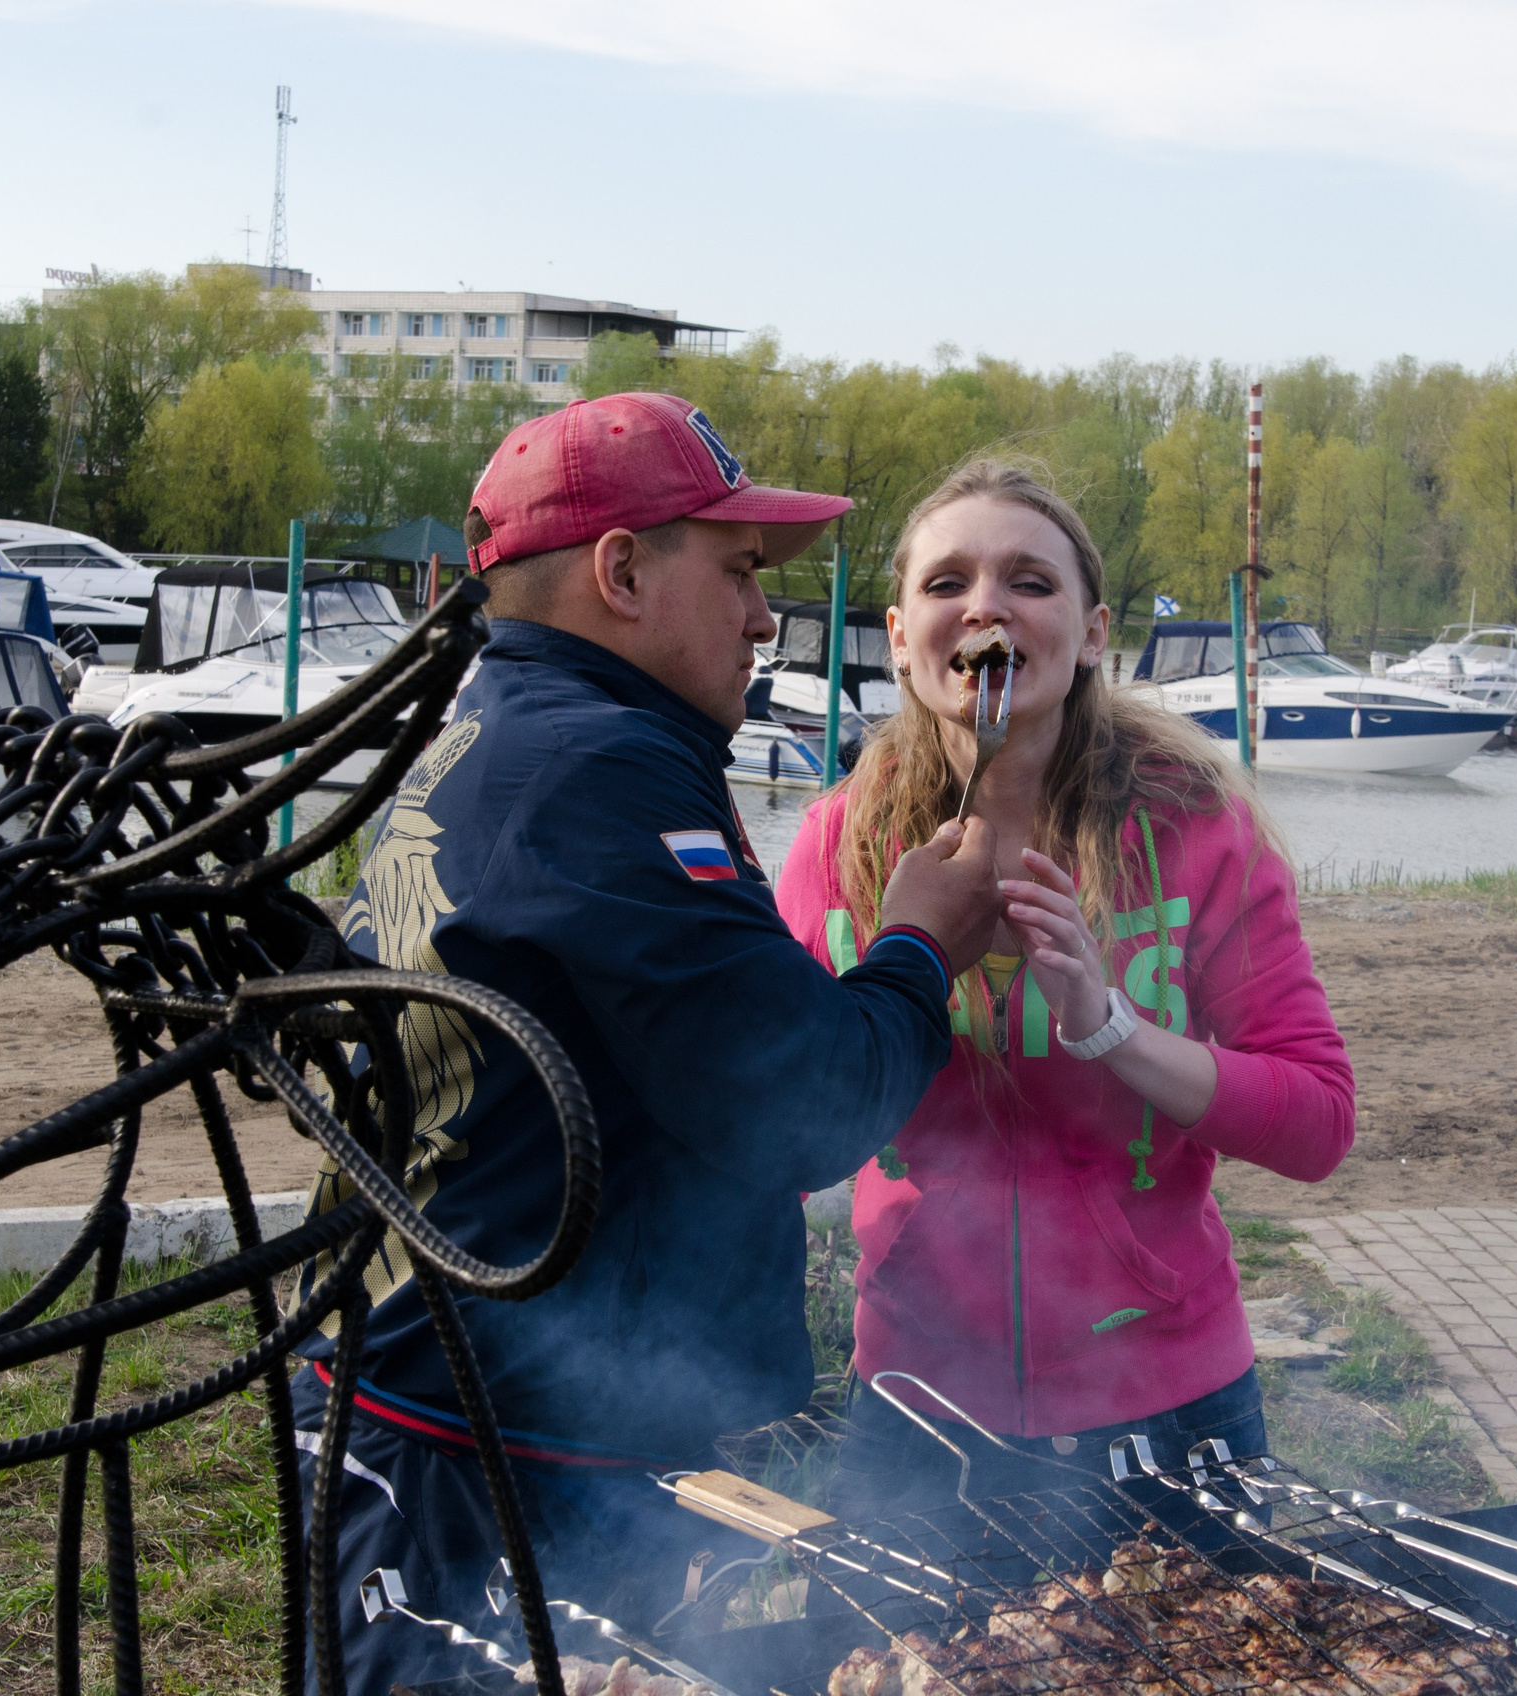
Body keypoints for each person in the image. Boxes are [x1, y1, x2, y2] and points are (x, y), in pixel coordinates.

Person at [291, 392, 1002, 1696]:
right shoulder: (600, 767)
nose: (763, 615)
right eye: (735, 571)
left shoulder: (498, 740)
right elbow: (801, 1101)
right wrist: (918, 950)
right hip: (491, 1461)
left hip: (432, 1409)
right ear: (621, 570)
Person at [772, 459, 1356, 1517]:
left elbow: (1317, 1123)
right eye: (946, 583)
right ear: (901, 640)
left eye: (1029, 582)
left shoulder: (1195, 828)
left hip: (1168, 1398)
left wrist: (1110, 1028)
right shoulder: (837, 844)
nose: (985, 604)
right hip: (915, 1403)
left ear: (1090, 634)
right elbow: (780, 1122)